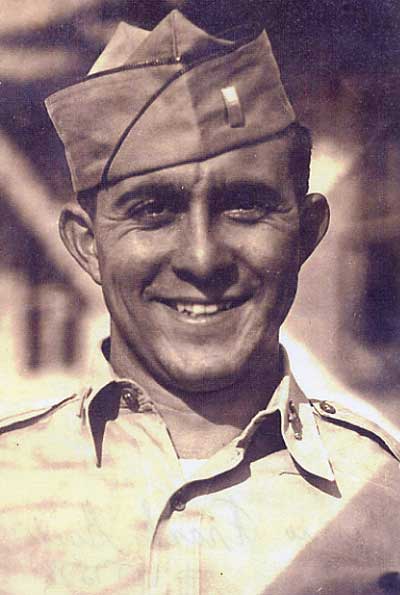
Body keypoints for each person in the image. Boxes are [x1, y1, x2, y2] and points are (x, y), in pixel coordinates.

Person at [1, 9, 399, 595]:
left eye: (245, 205)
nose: (202, 258)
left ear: (307, 232)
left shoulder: (385, 499)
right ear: (88, 247)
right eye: (152, 211)